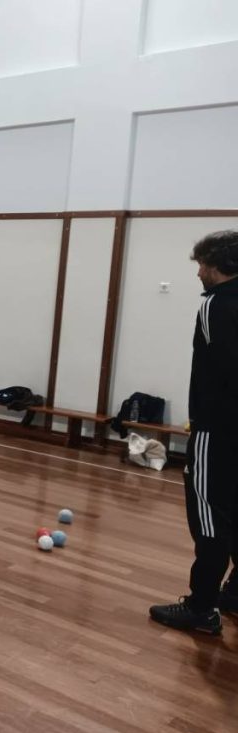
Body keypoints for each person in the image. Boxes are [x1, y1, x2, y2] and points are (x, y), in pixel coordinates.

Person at [150, 230, 238, 635]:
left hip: (216, 432)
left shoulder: (215, 306)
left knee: (209, 516)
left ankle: (202, 608)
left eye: (202, 264)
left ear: (219, 265)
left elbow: (225, 369)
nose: (199, 272)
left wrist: (207, 416)